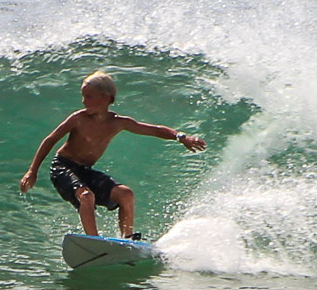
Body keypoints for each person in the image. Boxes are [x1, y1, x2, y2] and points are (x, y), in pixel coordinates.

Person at [19, 71, 206, 238]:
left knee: (126, 194)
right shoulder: (78, 119)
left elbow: (154, 130)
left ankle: (128, 240)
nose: (84, 101)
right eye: (83, 96)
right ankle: (94, 241)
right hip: (63, 166)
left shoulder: (118, 122)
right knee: (86, 196)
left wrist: (181, 137)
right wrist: (32, 171)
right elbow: (50, 140)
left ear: (106, 98)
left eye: (89, 97)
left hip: (85, 170)